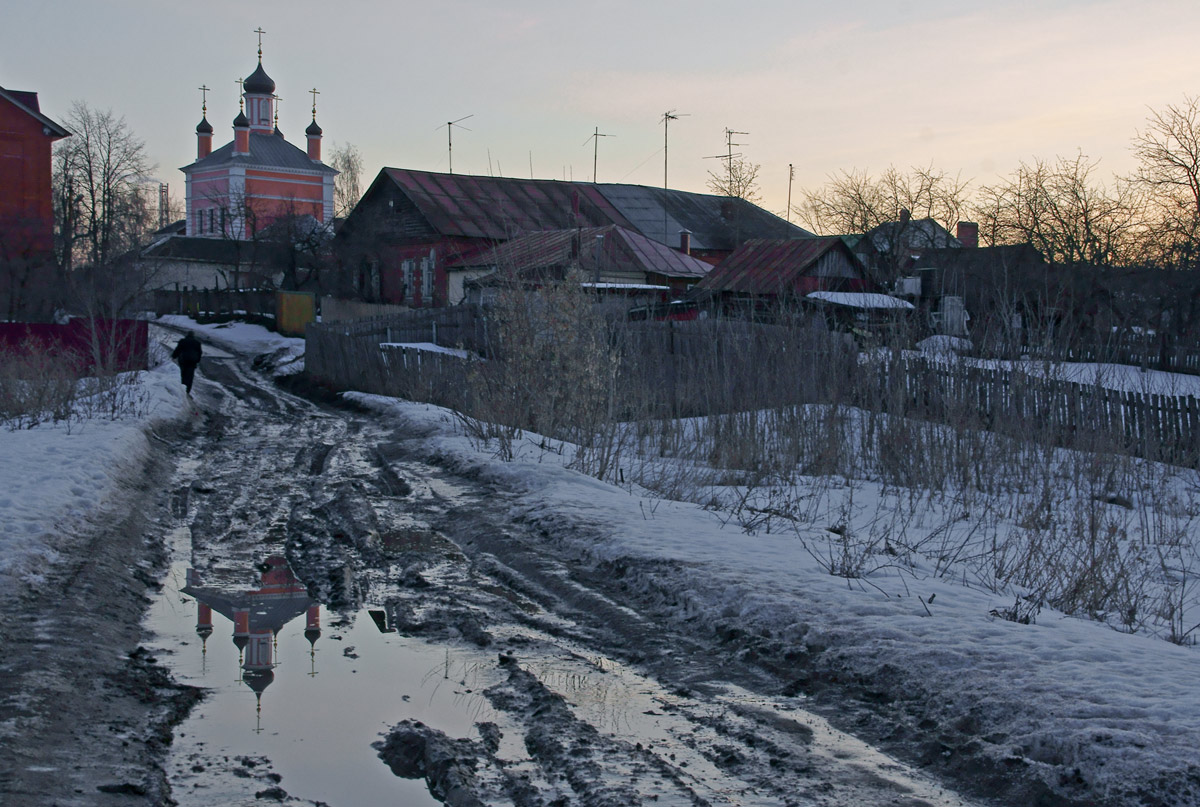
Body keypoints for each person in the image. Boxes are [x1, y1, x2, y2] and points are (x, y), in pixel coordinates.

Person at [171, 331, 203, 396]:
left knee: (182, 374)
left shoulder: (183, 341)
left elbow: (178, 349)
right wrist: (197, 360)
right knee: (190, 376)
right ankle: (187, 391)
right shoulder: (197, 343)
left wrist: (174, 356)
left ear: (187, 335)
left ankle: (182, 388)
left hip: (183, 360)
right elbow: (200, 353)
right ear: (193, 336)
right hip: (192, 362)